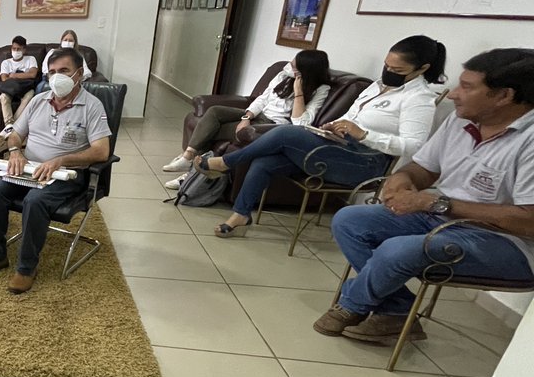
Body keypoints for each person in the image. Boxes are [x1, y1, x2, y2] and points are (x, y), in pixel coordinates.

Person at [317, 48, 534, 343]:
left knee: (399, 250)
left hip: (505, 241)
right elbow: (422, 169)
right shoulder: (461, 120)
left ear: (504, 95)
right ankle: (397, 311)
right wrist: (401, 180)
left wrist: (435, 202)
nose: (454, 95)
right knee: (350, 220)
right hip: (442, 218)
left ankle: (352, 304)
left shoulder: (529, 140)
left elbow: (528, 221)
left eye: (467, 87)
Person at [194, 35, 445, 237]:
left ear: (422, 69)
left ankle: (226, 163)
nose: (389, 71)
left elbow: (414, 146)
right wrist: (334, 125)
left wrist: (364, 134)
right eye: (387, 65)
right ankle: (241, 214)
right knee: (265, 162)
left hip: (365, 162)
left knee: (285, 132)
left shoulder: (420, 98)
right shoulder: (378, 85)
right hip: (340, 147)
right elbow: (353, 116)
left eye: (397, 69)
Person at [0, 48, 111, 293]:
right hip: (31, 169)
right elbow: (15, 135)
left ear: (79, 73)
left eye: (64, 71)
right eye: (53, 72)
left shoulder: (92, 106)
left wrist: (61, 160)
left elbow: (101, 152)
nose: (57, 77)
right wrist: (16, 152)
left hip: (67, 175)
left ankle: (26, 268)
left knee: (35, 201)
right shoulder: (38, 101)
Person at [163, 50, 333, 188]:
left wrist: (299, 92)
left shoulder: (321, 90)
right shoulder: (283, 76)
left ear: (306, 72)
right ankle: (188, 157)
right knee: (214, 111)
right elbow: (262, 99)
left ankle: (190, 174)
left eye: (295, 67)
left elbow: (300, 123)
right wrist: (246, 117)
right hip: (256, 115)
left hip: (270, 126)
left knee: (212, 129)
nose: (290, 67)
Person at [0, 36, 40, 138]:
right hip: (10, 88)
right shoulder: (6, 62)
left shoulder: (31, 59)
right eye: (14, 48)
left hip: (26, 88)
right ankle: (9, 124)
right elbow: (4, 78)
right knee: (3, 97)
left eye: (19, 49)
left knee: (29, 97)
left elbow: (32, 74)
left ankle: (11, 127)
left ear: (24, 49)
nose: (16, 51)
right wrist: (24, 75)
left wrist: (13, 75)